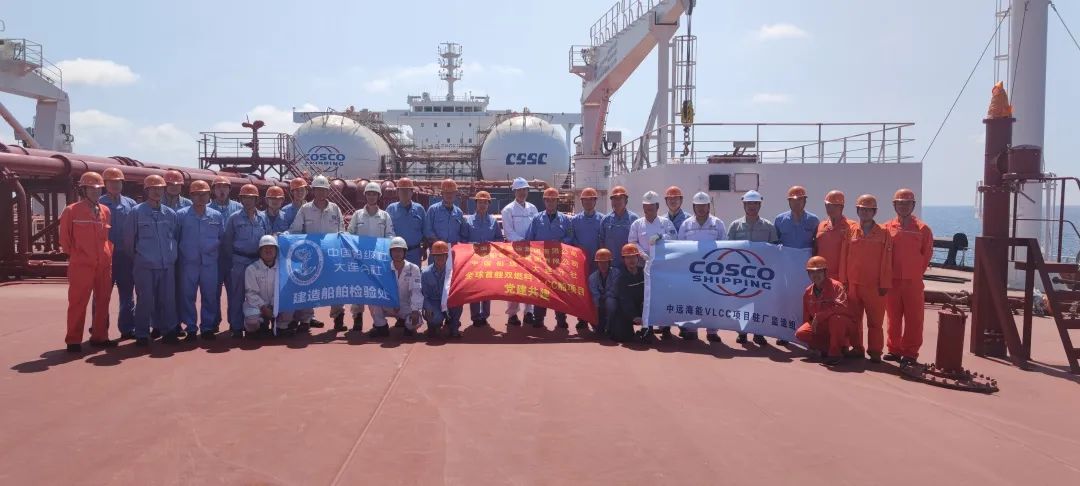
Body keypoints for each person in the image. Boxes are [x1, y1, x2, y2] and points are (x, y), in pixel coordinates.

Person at [59, 172, 116, 352]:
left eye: (98, 189)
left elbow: (106, 237)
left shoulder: (105, 211)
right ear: (83, 190)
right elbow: (65, 240)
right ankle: (73, 340)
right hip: (81, 265)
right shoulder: (71, 211)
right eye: (91, 189)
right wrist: (79, 256)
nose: (95, 192)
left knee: (103, 301)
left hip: (103, 264)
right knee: (78, 302)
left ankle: (100, 336)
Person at [125, 174, 180, 346]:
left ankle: (169, 331)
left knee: (168, 300)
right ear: (146, 191)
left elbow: (174, 237)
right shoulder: (136, 212)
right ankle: (142, 333)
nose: (157, 192)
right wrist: (140, 258)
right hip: (145, 266)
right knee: (145, 300)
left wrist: (171, 256)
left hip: (166, 265)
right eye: (153, 189)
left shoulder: (170, 214)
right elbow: (129, 241)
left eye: (160, 189)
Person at [839, 194, 893, 363]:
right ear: (857, 210)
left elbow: (887, 260)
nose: (865, 212)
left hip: (874, 286)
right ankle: (857, 348)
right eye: (862, 209)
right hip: (853, 284)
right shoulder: (851, 230)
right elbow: (844, 256)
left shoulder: (884, 232)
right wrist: (843, 280)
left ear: (874, 212)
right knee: (854, 319)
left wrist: (885, 283)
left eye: (869, 210)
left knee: (875, 322)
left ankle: (875, 351)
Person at [288, 175, 344, 331]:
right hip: (311, 255)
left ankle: (338, 317)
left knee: (336, 286)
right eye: (318, 190)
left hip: (331, 255)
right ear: (313, 191)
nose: (321, 193)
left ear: (328, 191)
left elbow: (342, 231)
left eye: (324, 190)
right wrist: (282, 236)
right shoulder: (305, 209)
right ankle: (306, 319)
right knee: (308, 286)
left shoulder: (335, 209)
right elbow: (295, 230)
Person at [884, 188, 933, 364]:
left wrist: (915, 273)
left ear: (913, 205)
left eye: (907, 203)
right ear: (894, 205)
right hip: (892, 281)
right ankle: (894, 349)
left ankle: (910, 353)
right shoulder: (886, 228)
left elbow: (926, 254)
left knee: (914, 318)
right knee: (893, 317)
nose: (903, 206)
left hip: (913, 282)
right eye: (900, 203)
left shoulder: (923, 229)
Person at [727, 189, 779, 345]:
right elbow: (728, 249)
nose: (752, 206)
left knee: (760, 303)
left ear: (760, 205)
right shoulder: (735, 226)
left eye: (755, 203)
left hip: (761, 273)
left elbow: (775, 249)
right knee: (742, 302)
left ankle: (759, 333)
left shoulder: (768, 226)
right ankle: (742, 332)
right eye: (749, 203)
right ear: (744, 205)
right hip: (741, 273)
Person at [176, 180, 225, 340]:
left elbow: (221, 237)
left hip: (209, 264)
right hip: (188, 263)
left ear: (209, 195)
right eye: (197, 194)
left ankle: (207, 327)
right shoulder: (181, 215)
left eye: (204, 194)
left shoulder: (216, 215)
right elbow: (176, 238)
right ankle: (191, 327)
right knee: (187, 296)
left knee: (210, 295)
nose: (201, 197)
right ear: (191, 196)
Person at [344, 182, 396, 332]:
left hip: (377, 260)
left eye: (374, 194)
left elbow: (390, 235)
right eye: (369, 194)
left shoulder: (385, 216)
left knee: (375, 290)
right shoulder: (357, 215)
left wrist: (386, 249)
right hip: (360, 260)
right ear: (365, 195)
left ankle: (378, 321)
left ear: (378, 196)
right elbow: (350, 233)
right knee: (357, 289)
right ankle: (357, 318)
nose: (371, 196)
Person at [677, 191, 727, 342]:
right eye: (697, 206)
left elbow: (725, 245)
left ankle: (712, 331)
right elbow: (679, 246)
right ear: (693, 207)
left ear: (708, 206)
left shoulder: (717, 223)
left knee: (712, 299)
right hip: (692, 269)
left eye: (703, 205)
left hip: (712, 269)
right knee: (693, 298)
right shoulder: (686, 224)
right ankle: (692, 329)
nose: (700, 208)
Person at [222, 184, 270, 338]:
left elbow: (267, 238)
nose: (248, 200)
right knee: (236, 294)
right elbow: (227, 242)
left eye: (251, 198)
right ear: (241, 199)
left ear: (256, 199)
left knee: (260, 294)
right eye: (245, 198)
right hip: (239, 260)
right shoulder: (234, 218)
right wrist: (232, 261)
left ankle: (260, 324)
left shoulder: (263, 217)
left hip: (257, 261)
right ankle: (236, 326)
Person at [628, 190, 677, 340]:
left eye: (651, 207)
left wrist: (661, 236)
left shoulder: (665, 223)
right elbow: (632, 242)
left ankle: (666, 327)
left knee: (664, 296)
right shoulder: (637, 224)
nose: (648, 210)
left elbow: (674, 238)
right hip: (644, 266)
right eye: (646, 207)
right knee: (646, 297)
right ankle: (647, 327)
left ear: (657, 207)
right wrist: (643, 254)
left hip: (663, 266)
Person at [795, 256, 857, 366]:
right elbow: (806, 317)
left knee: (836, 319)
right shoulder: (808, 292)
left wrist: (820, 316)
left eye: (819, 271)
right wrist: (811, 345)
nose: (815, 275)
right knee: (801, 333)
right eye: (812, 272)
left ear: (825, 272)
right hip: (822, 326)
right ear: (808, 274)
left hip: (842, 325)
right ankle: (828, 348)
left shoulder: (837, 286)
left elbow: (842, 307)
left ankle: (836, 354)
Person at [526, 187, 574, 329]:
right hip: (541, 262)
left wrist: (559, 244)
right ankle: (538, 318)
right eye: (548, 200)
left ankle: (561, 319)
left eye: (553, 200)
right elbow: (529, 238)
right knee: (541, 290)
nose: (550, 203)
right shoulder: (537, 219)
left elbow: (570, 237)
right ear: (544, 201)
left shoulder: (565, 219)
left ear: (557, 201)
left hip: (559, 262)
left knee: (559, 290)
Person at [99, 167, 137, 340]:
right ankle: (99, 330)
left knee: (127, 294)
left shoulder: (131, 204)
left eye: (118, 182)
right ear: (105, 184)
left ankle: (127, 328)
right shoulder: (98, 204)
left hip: (126, 256)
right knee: (101, 295)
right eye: (111, 182)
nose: (115, 185)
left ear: (122, 184)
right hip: (105, 257)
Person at [460, 190, 503, 327]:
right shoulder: (468, 221)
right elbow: (463, 240)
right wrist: (473, 245)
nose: (483, 205)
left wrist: (492, 244)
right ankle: (475, 316)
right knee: (474, 287)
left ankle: (485, 315)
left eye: (485, 202)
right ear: (476, 204)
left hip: (488, 260)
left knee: (486, 287)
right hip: (473, 260)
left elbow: (499, 239)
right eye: (480, 202)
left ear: (489, 204)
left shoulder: (493, 221)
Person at [501, 177, 539, 326]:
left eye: (524, 190)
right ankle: (512, 314)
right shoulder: (508, 210)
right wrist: (522, 241)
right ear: (514, 192)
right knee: (514, 283)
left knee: (531, 282)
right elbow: (509, 232)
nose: (522, 193)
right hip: (514, 253)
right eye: (519, 190)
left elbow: (536, 228)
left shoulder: (533, 209)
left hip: (531, 252)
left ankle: (529, 312)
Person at [369, 237, 424, 338]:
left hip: (405, 305)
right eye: (394, 250)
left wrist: (415, 310)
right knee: (373, 301)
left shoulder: (413, 268)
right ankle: (381, 327)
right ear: (390, 253)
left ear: (405, 252)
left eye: (400, 250)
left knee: (417, 321)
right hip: (388, 304)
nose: (397, 253)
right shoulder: (384, 268)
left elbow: (416, 290)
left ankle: (407, 326)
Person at [209, 175, 242, 331]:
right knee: (212, 292)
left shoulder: (239, 208)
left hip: (233, 258)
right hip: (214, 258)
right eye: (218, 187)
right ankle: (213, 322)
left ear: (229, 190)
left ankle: (234, 323)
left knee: (235, 292)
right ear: (213, 190)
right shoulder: (207, 209)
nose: (221, 190)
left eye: (224, 187)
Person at [243, 235, 292, 337]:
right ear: (260, 251)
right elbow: (251, 293)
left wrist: (273, 307)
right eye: (265, 248)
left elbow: (283, 290)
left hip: (276, 305)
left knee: (289, 303)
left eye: (271, 248)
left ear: (276, 251)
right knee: (252, 318)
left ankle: (280, 326)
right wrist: (263, 308)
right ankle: (258, 327)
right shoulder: (251, 269)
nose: (268, 250)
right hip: (258, 306)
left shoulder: (283, 268)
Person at [569, 187, 604, 330]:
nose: (588, 202)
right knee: (581, 291)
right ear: (581, 202)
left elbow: (603, 240)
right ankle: (582, 318)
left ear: (595, 201)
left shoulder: (602, 219)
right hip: (581, 264)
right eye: (585, 200)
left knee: (596, 291)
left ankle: (596, 319)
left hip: (597, 264)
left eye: (591, 199)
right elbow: (571, 239)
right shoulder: (575, 220)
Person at [422, 241, 463, 338]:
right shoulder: (425, 273)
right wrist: (427, 307)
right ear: (433, 256)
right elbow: (423, 295)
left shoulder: (452, 272)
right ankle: (433, 326)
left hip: (449, 302)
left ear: (447, 256)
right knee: (435, 318)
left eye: (442, 255)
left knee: (458, 304)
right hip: (433, 302)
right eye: (437, 255)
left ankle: (453, 326)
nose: (440, 258)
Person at [816, 190, 857, 282]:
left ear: (842, 207)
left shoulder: (851, 227)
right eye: (828, 205)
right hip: (822, 277)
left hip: (843, 278)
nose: (831, 208)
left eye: (835, 206)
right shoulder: (821, 226)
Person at [385, 177, 426, 266]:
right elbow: (386, 231)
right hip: (396, 253)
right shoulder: (391, 209)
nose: (405, 193)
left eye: (407, 190)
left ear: (412, 192)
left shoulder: (419, 209)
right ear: (397, 192)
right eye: (402, 190)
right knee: (395, 274)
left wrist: (424, 248)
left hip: (414, 253)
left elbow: (425, 230)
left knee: (414, 273)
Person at [598, 185, 639, 271]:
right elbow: (601, 242)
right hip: (611, 266)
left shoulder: (634, 219)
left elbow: (638, 242)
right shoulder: (605, 220)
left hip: (629, 266)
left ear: (626, 201)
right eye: (614, 199)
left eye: (620, 198)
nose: (617, 201)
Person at [612, 244, 645, 342]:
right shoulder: (620, 277)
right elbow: (624, 300)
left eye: (633, 257)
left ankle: (647, 330)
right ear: (624, 260)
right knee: (622, 337)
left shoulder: (644, 273)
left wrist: (644, 313)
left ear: (638, 258)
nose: (631, 260)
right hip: (626, 310)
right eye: (628, 257)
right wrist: (634, 316)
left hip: (643, 308)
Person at [425, 179, 465, 253]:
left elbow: (462, 233)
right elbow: (428, 230)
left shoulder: (459, 212)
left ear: (455, 193)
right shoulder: (433, 210)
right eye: (446, 193)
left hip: (454, 251)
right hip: (437, 251)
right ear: (442, 193)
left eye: (452, 193)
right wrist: (439, 244)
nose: (449, 195)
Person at [775, 185, 820, 250]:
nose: (796, 202)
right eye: (793, 200)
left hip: (806, 256)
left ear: (805, 201)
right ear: (789, 202)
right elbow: (774, 243)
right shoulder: (779, 220)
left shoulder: (813, 220)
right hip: (786, 256)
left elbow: (817, 243)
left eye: (799, 199)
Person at [588, 248, 620, 339]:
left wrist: (604, 297)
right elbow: (594, 294)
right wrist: (599, 303)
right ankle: (597, 325)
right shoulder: (592, 277)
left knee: (610, 302)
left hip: (612, 299)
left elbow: (614, 290)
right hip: (599, 302)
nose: (603, 265)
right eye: (600, 263)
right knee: (591, 305)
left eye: (605, 263)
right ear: (597, 263)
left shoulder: (616, 273)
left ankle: (610, 325)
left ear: (609, 263)